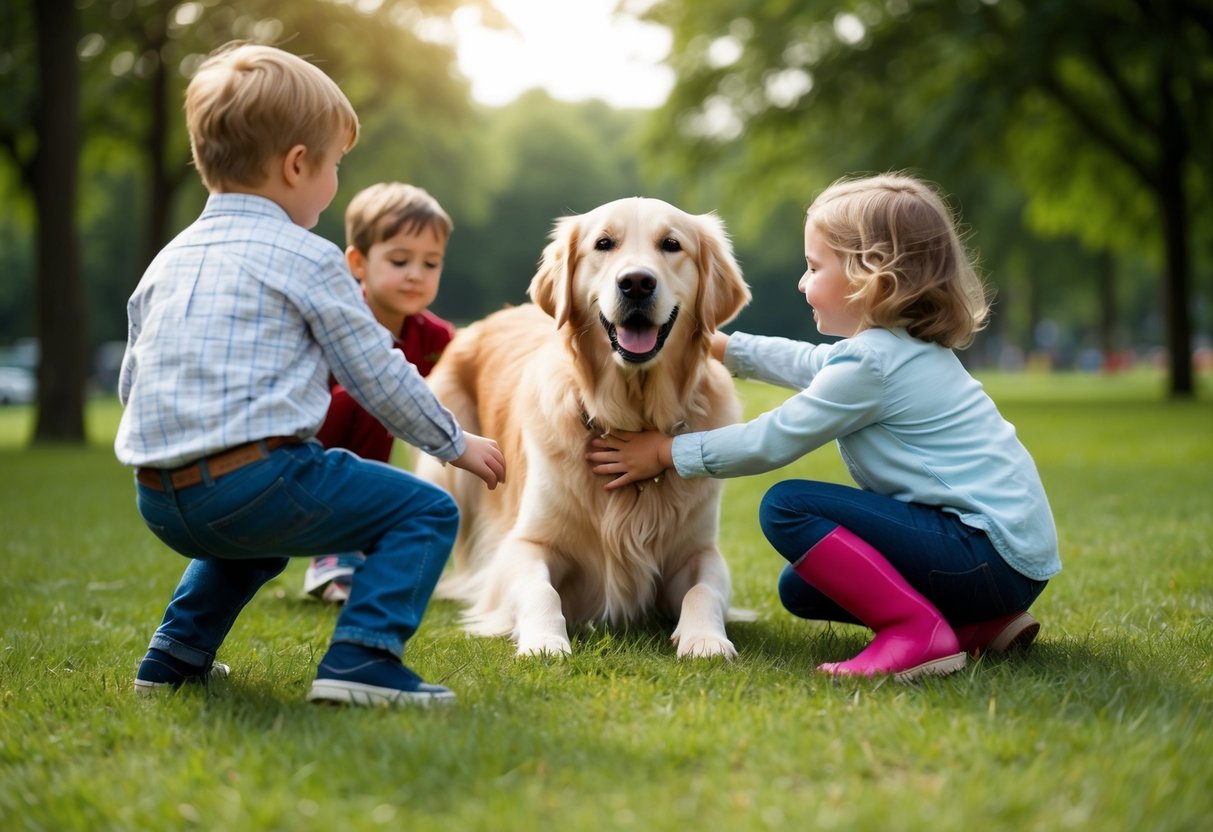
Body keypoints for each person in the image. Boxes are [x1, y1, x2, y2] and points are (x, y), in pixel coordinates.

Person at [114, 42, 505, 707]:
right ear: (298, 165)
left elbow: (134, 376)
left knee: (252, 542)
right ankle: (363, 658)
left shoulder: (168, 259)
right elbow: (377, 372)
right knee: (426, 509)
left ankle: (172, 659)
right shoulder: (309, 257)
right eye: (335, 165)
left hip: (158, 493)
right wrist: (455, 443)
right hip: (254, 480)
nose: (334, 182)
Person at [587, 173, 1059, 683]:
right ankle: (975, 628)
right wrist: (721, 344)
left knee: (787, 507)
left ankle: (914, 632)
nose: (802, 282)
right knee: (804, 586)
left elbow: (770, 441)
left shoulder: (873, 366)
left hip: (981, 551)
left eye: (813, 268)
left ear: (868, 275)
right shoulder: (895, 352)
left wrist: (665, 452)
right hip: (1010, 561)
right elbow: (809, 361)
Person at [302, 182, 457, 604]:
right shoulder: (340, 318)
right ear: (358, 262)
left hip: (387, 445)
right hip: (315, 442)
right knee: (368, 393)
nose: (415, 274)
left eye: (431, 263)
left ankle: (402, 548)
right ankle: (338, 549)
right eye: (400, 260)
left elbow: (460, 373)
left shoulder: (434, 336)